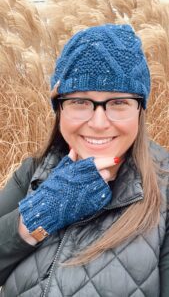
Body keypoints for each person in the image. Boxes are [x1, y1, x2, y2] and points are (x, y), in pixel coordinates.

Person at [0, 24, 168, 297]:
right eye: (80, 101)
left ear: (140, 109)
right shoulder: (33, 172)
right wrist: (40, 213)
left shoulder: (165, 188)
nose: (99, 123)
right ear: (59, 108)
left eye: (118, 102)